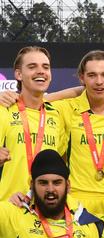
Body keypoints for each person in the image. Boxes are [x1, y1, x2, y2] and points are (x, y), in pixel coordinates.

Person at [55, 50, 104, 216]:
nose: (99, 82)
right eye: (92, 75)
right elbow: (37, 101)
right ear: (81, 78)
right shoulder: (66, 108)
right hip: (77, 199)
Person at [0, 47, 67, 201]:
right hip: (8, 209)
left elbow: (61, 160)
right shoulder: (4, 110)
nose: (41, 71)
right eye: (32, 67)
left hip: (44, 209)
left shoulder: (56, 115)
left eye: (46, 67)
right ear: (18, 74)